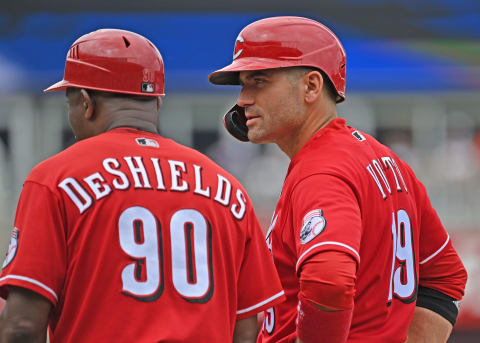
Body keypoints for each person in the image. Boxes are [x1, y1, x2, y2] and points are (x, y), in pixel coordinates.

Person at [0, 28, 285, 342]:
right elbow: (246, 329)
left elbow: (22, 327)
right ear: (157, 103)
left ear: (85, 103)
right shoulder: (228, 187)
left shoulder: (56, 179)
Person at [208, 16, 468, 343]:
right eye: (243, 84)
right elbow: (444, 277)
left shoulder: (321, 171)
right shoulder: (385, 160)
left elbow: (328, 283)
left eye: (259, 82)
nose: (243, 99)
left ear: (312, 87)